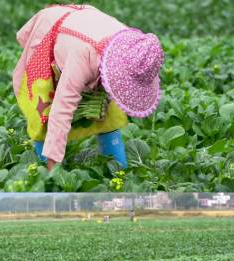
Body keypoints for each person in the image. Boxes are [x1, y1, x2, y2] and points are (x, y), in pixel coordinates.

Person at [13, 4, 163, 170]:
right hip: (52, 30)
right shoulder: (82, 57)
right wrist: (53, 171)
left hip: (86, 30)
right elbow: (62, 108)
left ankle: (120, 171)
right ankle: (43, 165)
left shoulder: (136, 48)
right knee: (44, 109)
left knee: (110, 114)